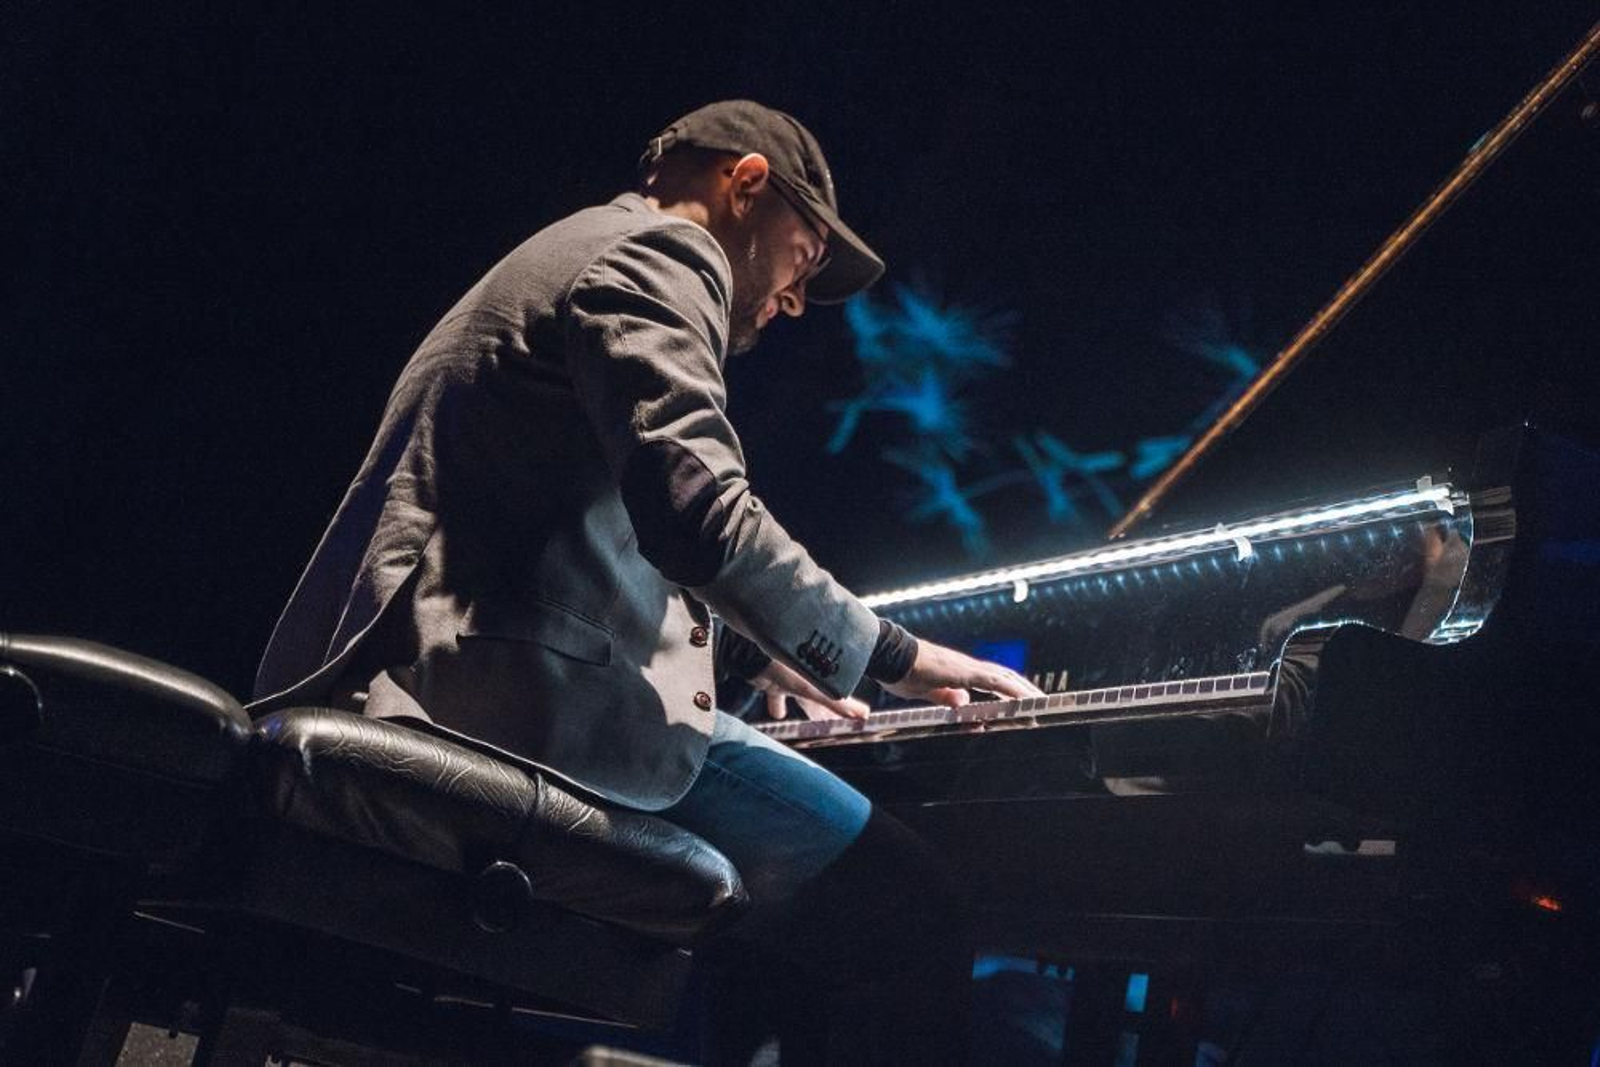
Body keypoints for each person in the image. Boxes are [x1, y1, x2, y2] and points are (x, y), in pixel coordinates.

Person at [250, 99, 1041, 1062]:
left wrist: (750, 654)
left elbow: (566, 528)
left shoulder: (574, 247)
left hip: (447, 674)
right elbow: (699, 512)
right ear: (745, 185)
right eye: (801, 261)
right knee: (910, 907)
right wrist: (893, 654)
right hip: (502, 710)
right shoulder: (662, 254)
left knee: (797, 927)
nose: (795, 300)